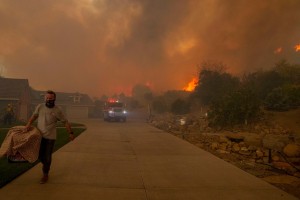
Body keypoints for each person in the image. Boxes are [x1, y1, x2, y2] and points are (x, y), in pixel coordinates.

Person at [25, 90, 75, 184]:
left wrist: (71, 133)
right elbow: (34, 116)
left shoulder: (58, 110)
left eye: (51, 98)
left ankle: (45, 175)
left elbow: (65, 122)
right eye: (47, 98)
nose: (49, 100)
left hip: (50, 138)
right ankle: (47, 165)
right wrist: (28, 124)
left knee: (47, 157)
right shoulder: (40, 106)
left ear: (54, 99)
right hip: (39, 136)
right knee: (38, 156)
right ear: (45, 98)